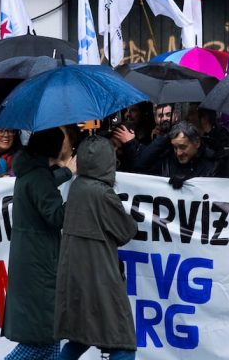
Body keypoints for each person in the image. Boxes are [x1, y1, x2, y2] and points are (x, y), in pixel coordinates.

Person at [54, 136, 138, 360]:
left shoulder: (77, 186)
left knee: (79, 337)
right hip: (101, 277)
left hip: (77, 275)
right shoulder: (102, 193)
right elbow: (126, 232)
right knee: (122, 342)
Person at [2, 127, 76, 360]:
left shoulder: (30, 171)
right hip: (40, 264)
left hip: (33, 261)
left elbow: (42, 187)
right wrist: (81, 196)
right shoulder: (39, 176)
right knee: (45, 337)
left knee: (50, 337)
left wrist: (66, 173)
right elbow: (56, 216)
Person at [131, 121, 224, 188]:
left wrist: (186, 181)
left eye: (183, 147)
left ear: (197, 143)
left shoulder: (213, 164)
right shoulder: (167, 160)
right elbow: (140, 165)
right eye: (175, 147)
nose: (178, 153)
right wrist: (164, 138)